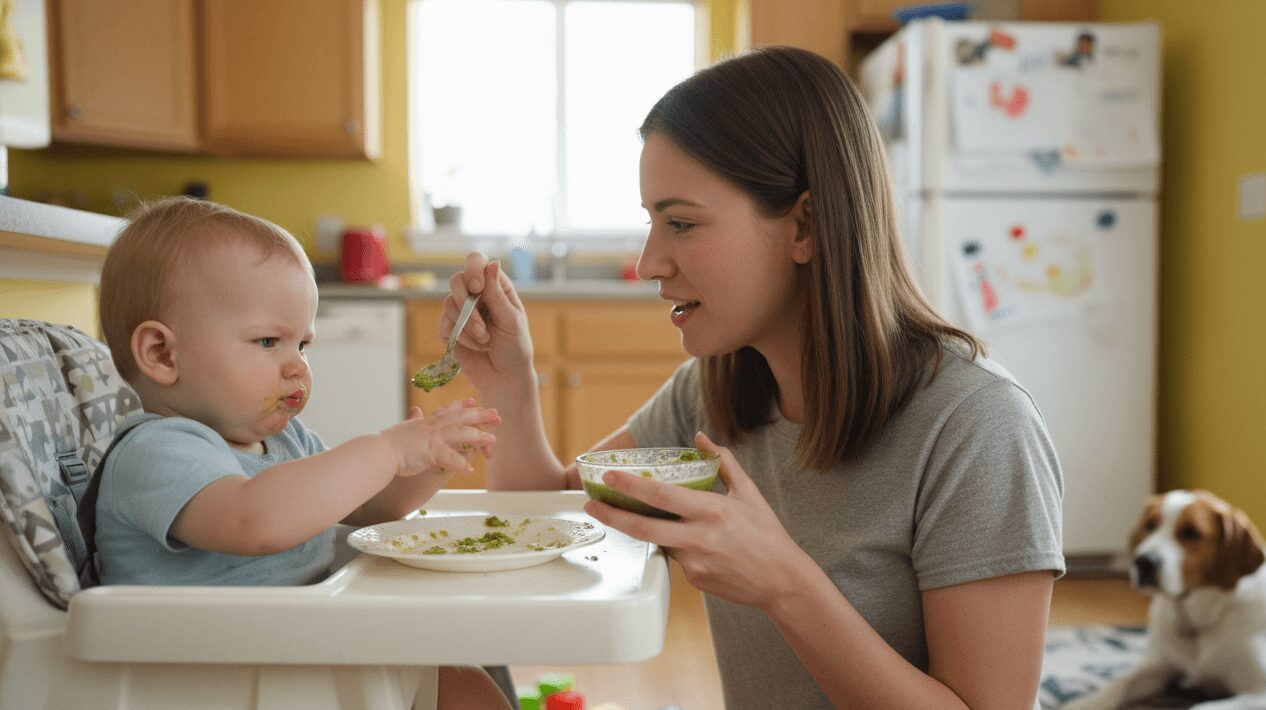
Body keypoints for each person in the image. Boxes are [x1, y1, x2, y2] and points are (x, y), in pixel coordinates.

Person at [438, 47, 1064, 709]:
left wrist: (784, 583)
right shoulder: (712, 394)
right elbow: (560, 515)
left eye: (681, 223)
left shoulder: (978, 427)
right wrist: (509, 381)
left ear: (805, 225)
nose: (649, 262)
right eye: (651, 223)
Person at [93, 196, 512, 710]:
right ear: (161, 353)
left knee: (465, 684)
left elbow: (372, 507)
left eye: (303, 345)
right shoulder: (156, 452)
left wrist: (429, 462)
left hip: (302, 655)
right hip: (213, 682)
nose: (297, 367)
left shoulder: (285, 442)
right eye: (269, 341)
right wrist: (386, 450)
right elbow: (255, 520)